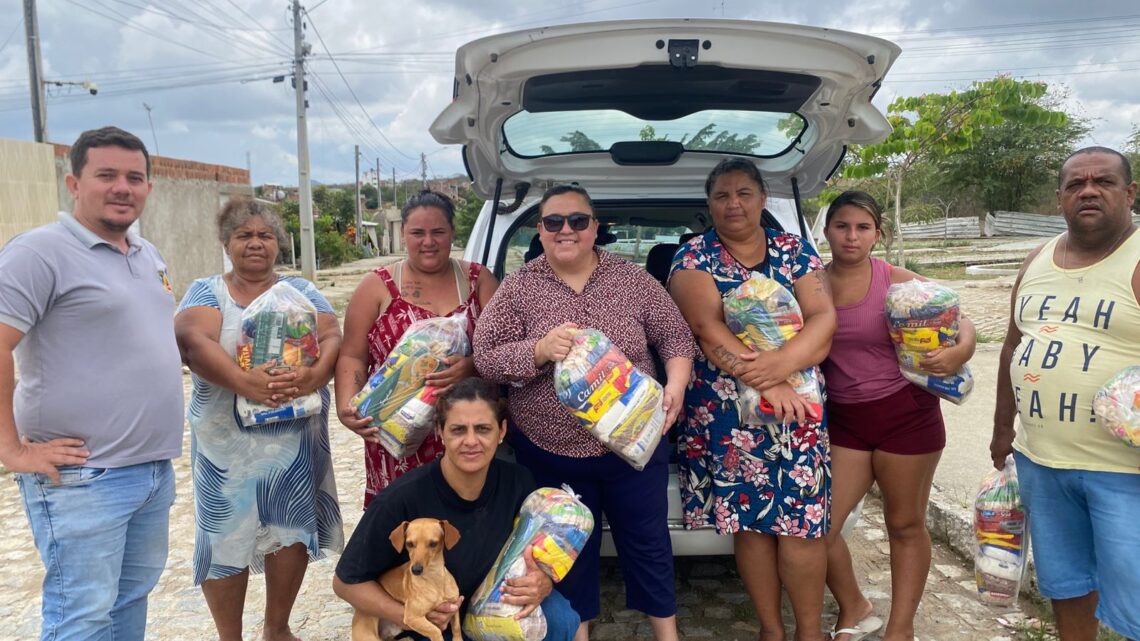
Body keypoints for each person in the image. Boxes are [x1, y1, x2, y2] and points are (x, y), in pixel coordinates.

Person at [473, 184, 694, 641]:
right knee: (565, 551)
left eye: (577, 220)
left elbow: (675, 338)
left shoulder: (632, 280)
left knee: (649, 544)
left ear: (595, 228)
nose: (566, 230)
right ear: (541, 230)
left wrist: (674, 386)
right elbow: (486, 356)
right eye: (554, 222)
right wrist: (537, 350)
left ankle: (667, 635)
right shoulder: (519, 288)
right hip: (552, 451)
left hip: (634, 446)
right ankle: (579, 634)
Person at [0, 126, 183, 640]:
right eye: (106, 175)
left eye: (135, 177)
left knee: (127, 606)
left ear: (148, 187)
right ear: (73, 183)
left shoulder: (147, 256)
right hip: (84, 478)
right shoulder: (39, 253)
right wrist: (11, 449)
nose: (122, 187)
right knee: (80, 617)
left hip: (149, 472)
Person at [667, 157, 836, 641]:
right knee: (752, 524)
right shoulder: (693, 258)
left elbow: (823, 319)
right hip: (728, 415)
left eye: (743, 192)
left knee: (802, 524)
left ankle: (809, 631)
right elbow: (707, 330)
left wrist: (781, 370)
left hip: (798, 409)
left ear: (762, 199)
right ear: (709, 205)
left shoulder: (795, 251)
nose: (733, 203)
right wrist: (768, 380)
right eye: (721, 195)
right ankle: (771, 630)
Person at [174, 198, 344, 641]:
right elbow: (192, 339)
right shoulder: (207, 291)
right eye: (243, 235)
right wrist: (244, 382)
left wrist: (313, 375)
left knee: (289, 531)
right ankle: (230, 636)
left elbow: (330, 336)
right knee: (224, 538)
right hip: (226, 445)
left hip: (293, 440)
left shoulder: (302, 291)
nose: (255, 243)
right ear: (226, 243)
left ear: (278, 243)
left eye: (265, 235)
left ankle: (277, 627)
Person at [991, 147, 1140, 641]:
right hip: (1041, 462)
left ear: (1129, 192)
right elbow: (1012, 347)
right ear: (1059, 198)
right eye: (1076, 184)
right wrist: (1000, 431)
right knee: (1067, 586)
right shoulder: (1036, 259)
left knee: (1134, 599)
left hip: (1124, 471)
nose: (1089, 191)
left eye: (1103, 182)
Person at [819, 191, 976, 641]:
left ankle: (900, 628)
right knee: (820, 528)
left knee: (904, 524)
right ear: (826, 230)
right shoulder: (811, 283)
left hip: (907, 415)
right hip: (845, 421)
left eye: (862, 228)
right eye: (842, 226)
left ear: (877, 234)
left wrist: (960, 350)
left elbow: (958, 317)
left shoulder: (898, 282)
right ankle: (856, 606)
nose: (852, 236)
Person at [333, 377, 578, 641]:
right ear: (440, 432)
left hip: (489, 605)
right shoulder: (400, 499)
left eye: (483, 429)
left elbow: (536, 550)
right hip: (431, 622)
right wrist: (408, 615)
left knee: (560, 618)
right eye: (458, 430)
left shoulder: (519, 482)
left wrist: (542, 580)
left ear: (502, 431)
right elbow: (346, 583)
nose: (471, 441)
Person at [335, 190, 499, 509]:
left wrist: (472, 366)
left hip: (467, 434)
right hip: (396, 437)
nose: (428, 241)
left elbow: (504, 353)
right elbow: (352, 353)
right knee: (402, 528)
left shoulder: (478, 281)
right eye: (417, 233)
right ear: (402, 234)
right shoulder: (376, 286)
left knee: (466, 524)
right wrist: (345, 408)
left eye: (438, 232)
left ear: (452, 233)